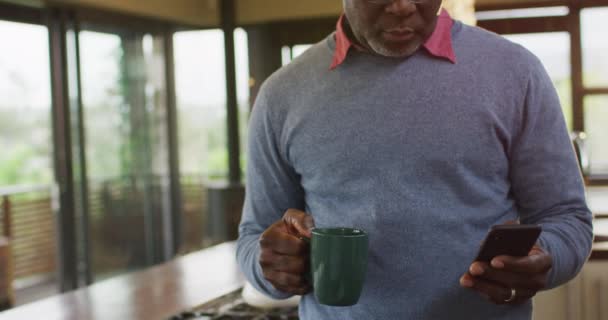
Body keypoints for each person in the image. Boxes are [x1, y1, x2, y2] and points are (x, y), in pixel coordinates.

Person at [236, 0, 594, 318]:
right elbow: (255, 236)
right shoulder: (281, 95)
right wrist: (270, 267)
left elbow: (567, 218)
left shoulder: (516, 73)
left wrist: (544, 258)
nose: (403, 6)